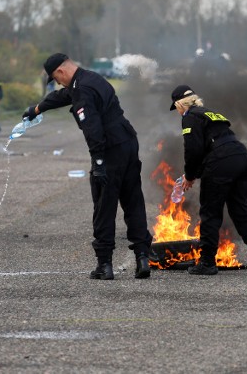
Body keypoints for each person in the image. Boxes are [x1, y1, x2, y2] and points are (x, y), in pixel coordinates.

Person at [23, 53, 153, 280]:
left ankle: (105, 265)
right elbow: (65, 95)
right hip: (128, 142)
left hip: (109, 150)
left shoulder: (82, 90)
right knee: (133, 201)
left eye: (56, 78)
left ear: (61, 72)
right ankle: (143, 258)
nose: (58, 83)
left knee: (104, 206)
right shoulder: (91, 78)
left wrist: (99, 162)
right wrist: (38, 108)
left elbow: (93, 130)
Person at [169, 85, 247, 275]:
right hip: (241, 157)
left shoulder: (190, 117)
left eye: (175, 107)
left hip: (221, 162)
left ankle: (207, 262)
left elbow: (193, 150)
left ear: (179, 104)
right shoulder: (210, 113)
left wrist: (190, 176)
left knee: (210, 212)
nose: (177, 111)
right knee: (240, 210)